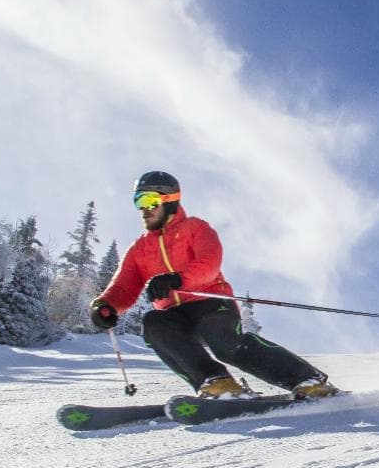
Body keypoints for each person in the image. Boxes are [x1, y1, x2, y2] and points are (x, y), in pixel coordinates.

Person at [89, 171, 338, 400]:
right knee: (153, 323)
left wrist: (177, 279)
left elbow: (209, 262)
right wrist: (106, 306)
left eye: (149, 202)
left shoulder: (195, 228)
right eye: (138, 203)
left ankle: (308, 380)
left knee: (225, 344)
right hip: (173, 314)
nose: (144, 210)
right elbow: (123, 287)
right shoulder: (139, 249)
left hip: (210, 303)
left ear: (171, 200)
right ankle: (216, 382)